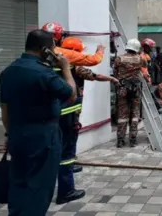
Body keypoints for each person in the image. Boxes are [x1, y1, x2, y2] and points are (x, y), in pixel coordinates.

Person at [0, 29, 76, 215]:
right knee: (39, 188)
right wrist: (66, 68)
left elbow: (5, 111)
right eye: (52, 48)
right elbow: (71, 94)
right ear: (45, 50)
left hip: (17, 135)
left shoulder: (8, 71)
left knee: (19, 184)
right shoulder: (45, 74)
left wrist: (10, 135)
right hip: (43, 138)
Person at [54, 38, 119, 205]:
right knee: (66, 150)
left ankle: (67, 167)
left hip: (55, 114)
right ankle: (66, 190)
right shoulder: (70, 68)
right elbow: (94, 69)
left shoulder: (51, 66)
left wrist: (111, 79)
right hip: (69, 115)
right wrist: (101, 50)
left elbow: (93, 75)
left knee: (60, 146)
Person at [114, 39, 143, 148]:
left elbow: (115, 71)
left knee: (122, 115)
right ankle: (133, 140)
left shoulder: (119, 59)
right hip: (135, 90)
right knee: (135, 115)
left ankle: (120, 140)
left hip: (122, 90)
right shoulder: (140, 59)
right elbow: (143, 68)